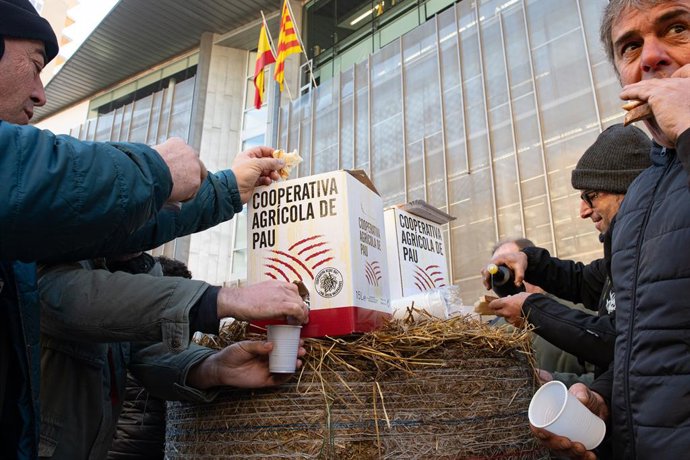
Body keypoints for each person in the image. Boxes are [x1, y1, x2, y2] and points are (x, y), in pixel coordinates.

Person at [0, 1, 288, 457]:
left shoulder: (56, 227)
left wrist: (208, 367)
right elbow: (65, 297)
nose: (41, 94)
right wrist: (217, 298)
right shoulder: (33, 219)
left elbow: (134, 350)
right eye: (35, 67)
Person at [533, 1, 690, 458]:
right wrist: (602, 402)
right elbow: (643, 347)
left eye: (677, 28)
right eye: (630, 46)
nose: (651, 57)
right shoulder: (645, 195)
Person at [489, 237, 593, 387]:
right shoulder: (494, 330)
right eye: (496, 270)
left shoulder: (578, 312)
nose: (502, 276)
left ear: (527, 265)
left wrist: (555, 382)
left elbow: (611, 378)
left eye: (507, 265)